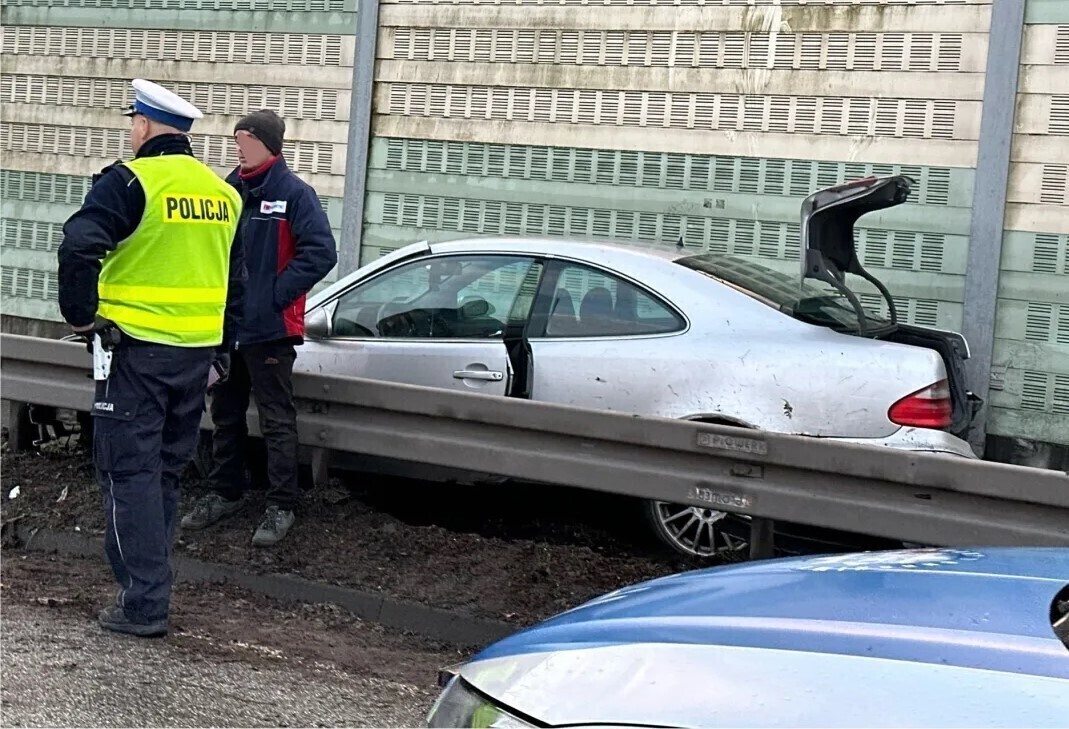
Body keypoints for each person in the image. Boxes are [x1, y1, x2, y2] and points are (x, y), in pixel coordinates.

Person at [57, 79, 245, 638]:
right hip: (196, 357)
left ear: (142, 125)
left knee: (128, 474)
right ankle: (151, 591)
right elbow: (237, 282)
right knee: (163, 474)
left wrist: (80, 318)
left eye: (132, 124)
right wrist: (223, 350)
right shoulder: (222, 194)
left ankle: (144, 603)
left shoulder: (131, 181)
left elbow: (78, 245)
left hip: (134, 353)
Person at [181, 109, 337, 547]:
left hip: (270, 330)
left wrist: (273, 296)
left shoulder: (295, 194)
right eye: (237, 140)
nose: (240, 148)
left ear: (270, 145)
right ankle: (224, 492)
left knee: (276, 419)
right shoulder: (228, 190)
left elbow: (321, 252)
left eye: (248, 140)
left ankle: (281, 504)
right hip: (226, 328)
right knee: (225, 414)